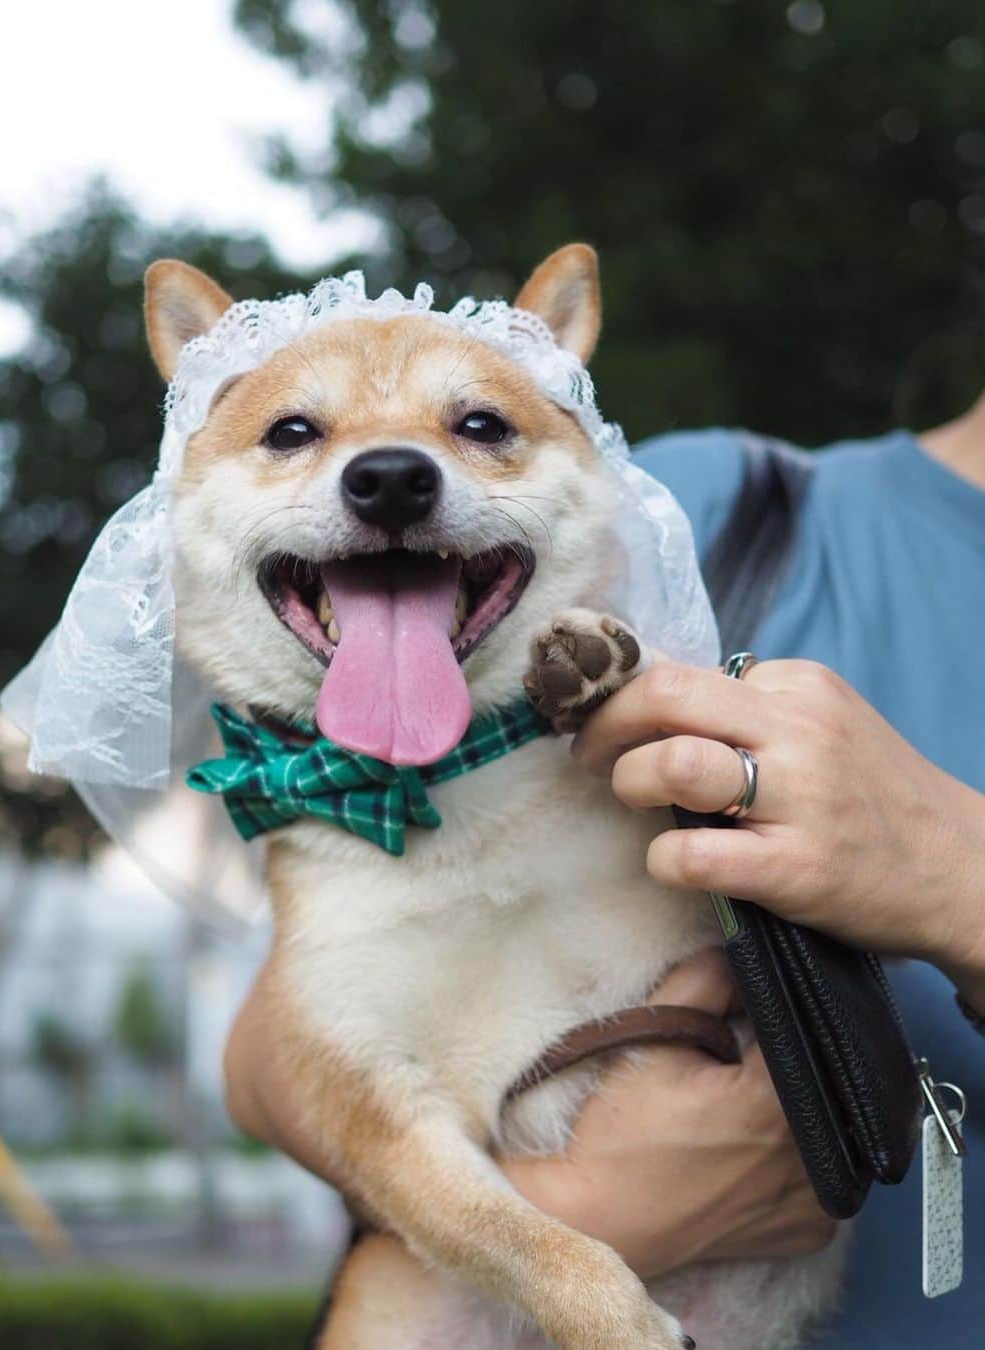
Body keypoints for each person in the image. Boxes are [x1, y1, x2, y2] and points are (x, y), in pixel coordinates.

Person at [224, 393, 985, 1347]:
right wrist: (587, 1212)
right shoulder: (709, 509)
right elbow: (269, 1057)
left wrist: (959, 881)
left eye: (476, 428)